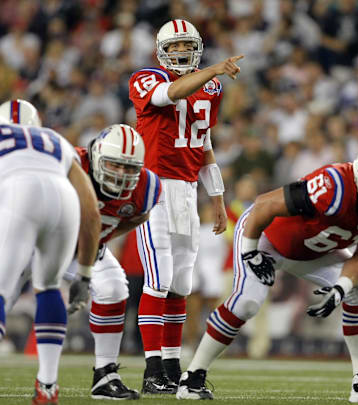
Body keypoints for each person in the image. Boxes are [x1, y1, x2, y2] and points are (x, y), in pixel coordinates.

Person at [0, 120, 160, 402]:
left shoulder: (147, 187)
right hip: (33, 238)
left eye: (130, 168)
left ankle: (105, 374)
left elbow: (139, 215)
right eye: (114, 165)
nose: (122, 174)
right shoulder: (69, 162)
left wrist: (101, 239)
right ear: (95, 155)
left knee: (113, 287)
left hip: (80, 247)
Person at [177, 142, 358, 402]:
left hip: (310, 251)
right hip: (265, 236)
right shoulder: (335, 185)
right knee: (247, 303)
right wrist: (251, 252)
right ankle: (192, 377)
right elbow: (264, 204)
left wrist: (340, 288)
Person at [0, 99, 101, 405]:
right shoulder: (57, 140)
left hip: (17, 195)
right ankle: (48, 386)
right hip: (63, 200)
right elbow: (91, 212)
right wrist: (85, 274)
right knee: (49, 288)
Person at [128, 18, 241, 394]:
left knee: (181, 284)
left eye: (185, 46)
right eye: (174, 46)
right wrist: (214, 69)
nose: (179, 52)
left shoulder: (210, 88)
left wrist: (218, 198)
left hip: (188, 190)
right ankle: (151, 371)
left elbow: (204, 144)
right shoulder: (145, 78)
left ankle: (172, 367)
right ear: (162, 49)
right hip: (153, 187)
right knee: (158, 280)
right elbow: (168, 95)